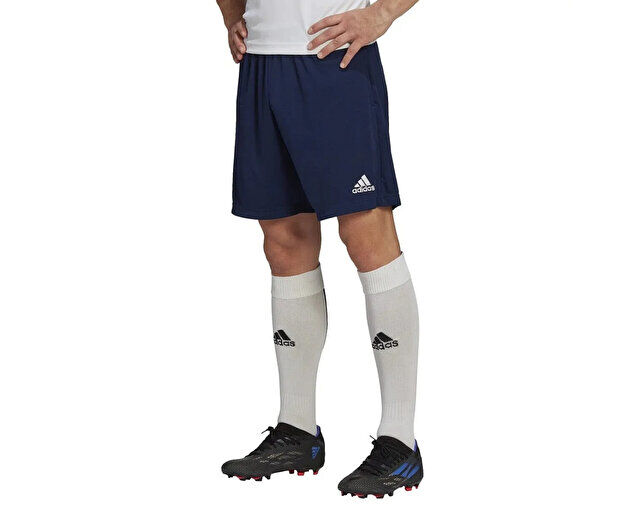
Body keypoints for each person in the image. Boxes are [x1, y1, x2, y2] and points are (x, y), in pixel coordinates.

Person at [217, 0, 422, 499]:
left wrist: (382, 13)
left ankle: (400, 440)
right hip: (262, 64)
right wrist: (231, 15)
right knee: (284, 242)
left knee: (366, 235)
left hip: (334, 59)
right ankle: (297, 429)